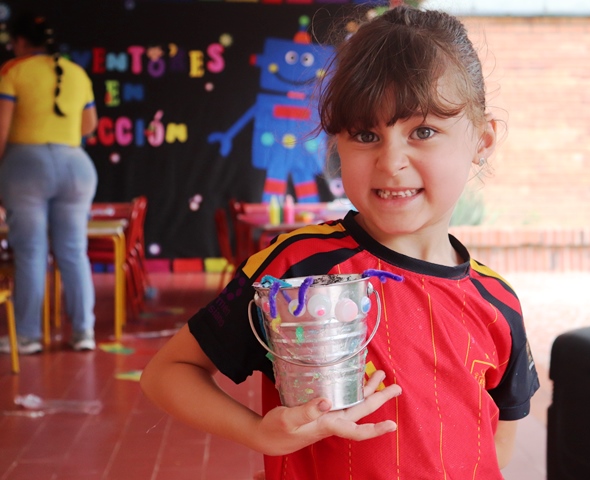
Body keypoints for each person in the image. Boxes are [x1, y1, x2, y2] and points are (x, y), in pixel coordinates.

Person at [141, 6, 539, 479]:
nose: (391, 161)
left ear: (482, 140)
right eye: (366, 134)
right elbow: (168, 372)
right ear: (336, 145)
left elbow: (496, 445)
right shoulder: (296, 270)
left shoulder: (497, 304)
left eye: (423, 131)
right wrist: (258, 433)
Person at [0, 13, 98, 354]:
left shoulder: (13, 70)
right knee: (74, 251)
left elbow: (1, 128)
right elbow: (89, 125)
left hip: (25, 166)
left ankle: (27, 336)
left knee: (31, 252)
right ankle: (84, 332)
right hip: (76, 166)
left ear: (21, 42)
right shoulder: (77, 72)